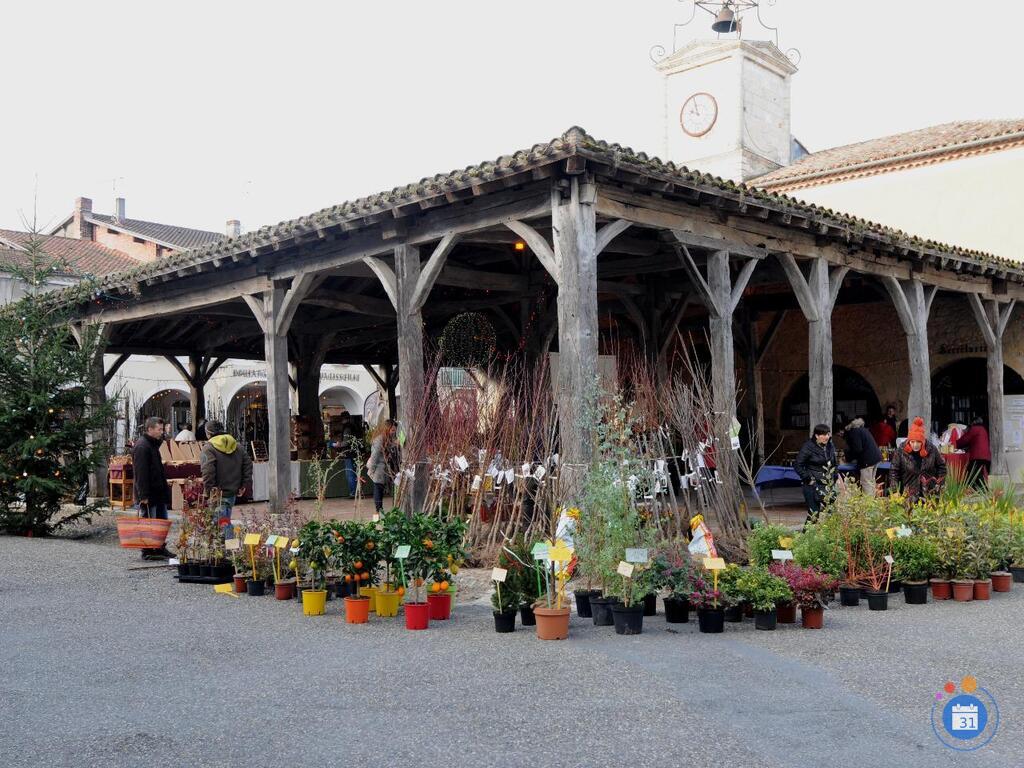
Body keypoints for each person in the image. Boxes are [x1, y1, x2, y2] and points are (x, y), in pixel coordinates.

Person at [199, 420, 253, 538]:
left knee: (221, 523)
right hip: (232, 491)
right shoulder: (237, 445)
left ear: (208, 433)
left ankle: (226, 549)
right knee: (225, 519)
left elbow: (208, 471)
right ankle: (229, 548)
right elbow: (248, 464)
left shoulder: (208, 448)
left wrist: (209, 492)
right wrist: (243, 485)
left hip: (217, 492)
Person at [132, 416, 174, 561]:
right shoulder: (142, 446)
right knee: (149, 521)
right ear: (150, 429)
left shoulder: (152, 444)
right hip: (149, 493)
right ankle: (148, 550)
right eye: (159, 429)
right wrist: (143, 494)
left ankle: (159, 547)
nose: (161, 432)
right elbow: (141, 473)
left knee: (161, 521)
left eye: (162, 429)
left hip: (158, 491)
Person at [889, 417, 946, 501]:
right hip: (908, 494)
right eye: (912, 442)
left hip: (928, 494)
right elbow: (894, 471)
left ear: (923, 441)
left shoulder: (931, 449)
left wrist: (939, 484)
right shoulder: (901, 450)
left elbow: (942, 467)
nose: (915, 445)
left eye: (918, 442)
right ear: (909, 441)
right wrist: (894, 491)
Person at [794, 423, 838, 522]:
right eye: (823, 434)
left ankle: (830, 536)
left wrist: (835, 477)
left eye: (828, 434)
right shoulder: (808, 446)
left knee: (832, 513)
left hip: (827, 484)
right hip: (812, 485)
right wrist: (808, 478)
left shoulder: (830, 445)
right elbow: (797, 465)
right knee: (814, 514)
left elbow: (835, 463)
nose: (826, 437)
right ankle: (806, 537)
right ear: (816, 436)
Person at [841, 417, 883, 495]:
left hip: (867, 461)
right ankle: (873, 503)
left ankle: (868, 504)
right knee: (871, 482)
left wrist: (848, 457)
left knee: (866, 484)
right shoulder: (862, 429)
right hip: (875, 458)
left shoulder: (854, 432)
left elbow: (857, 449)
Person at [366, 419, 397, 513]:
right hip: (378, 468)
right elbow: (374, 456)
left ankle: (379, 510)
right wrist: (371, 470)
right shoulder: (380, 440)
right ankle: (378, 510)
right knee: (378, 489)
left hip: (383, 468)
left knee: (380, 489)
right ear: (387, 429)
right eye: (392, 430)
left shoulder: (387, 439)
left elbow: (388, 447)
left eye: (394, 430)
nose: (393, 432)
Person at [956, 416, 991, 487]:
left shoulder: (974, 429)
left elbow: (965, 439)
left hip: (977, 455)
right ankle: (973, 488)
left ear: (974, 422)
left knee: (974, 472)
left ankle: (983, 489)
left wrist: (957, 443)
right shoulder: (983, 429)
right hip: (986, 456)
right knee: (975, 472)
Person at [336, 413, 359, 499]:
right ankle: (357, 491)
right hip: (355, 452)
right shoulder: (354, 426)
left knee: (350, 473)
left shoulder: (347, 428)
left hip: (348, 453)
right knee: (355, 472)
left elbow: (346, 441)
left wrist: (339, 444)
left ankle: (353, 492)